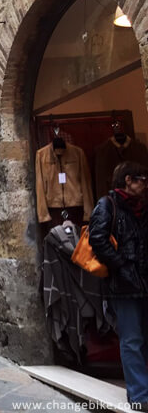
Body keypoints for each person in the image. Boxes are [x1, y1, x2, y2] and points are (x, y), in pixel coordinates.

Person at [89, 161, 148, 409]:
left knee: (141, 338)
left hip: (144, 281)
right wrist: (122, 266)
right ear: (127, 180)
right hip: (123, 285)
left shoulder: (142, 208)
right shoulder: (107, 204)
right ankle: (139, 396)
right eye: (141, 179)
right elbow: (97, 239)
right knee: (132, 339)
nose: (145, 183)